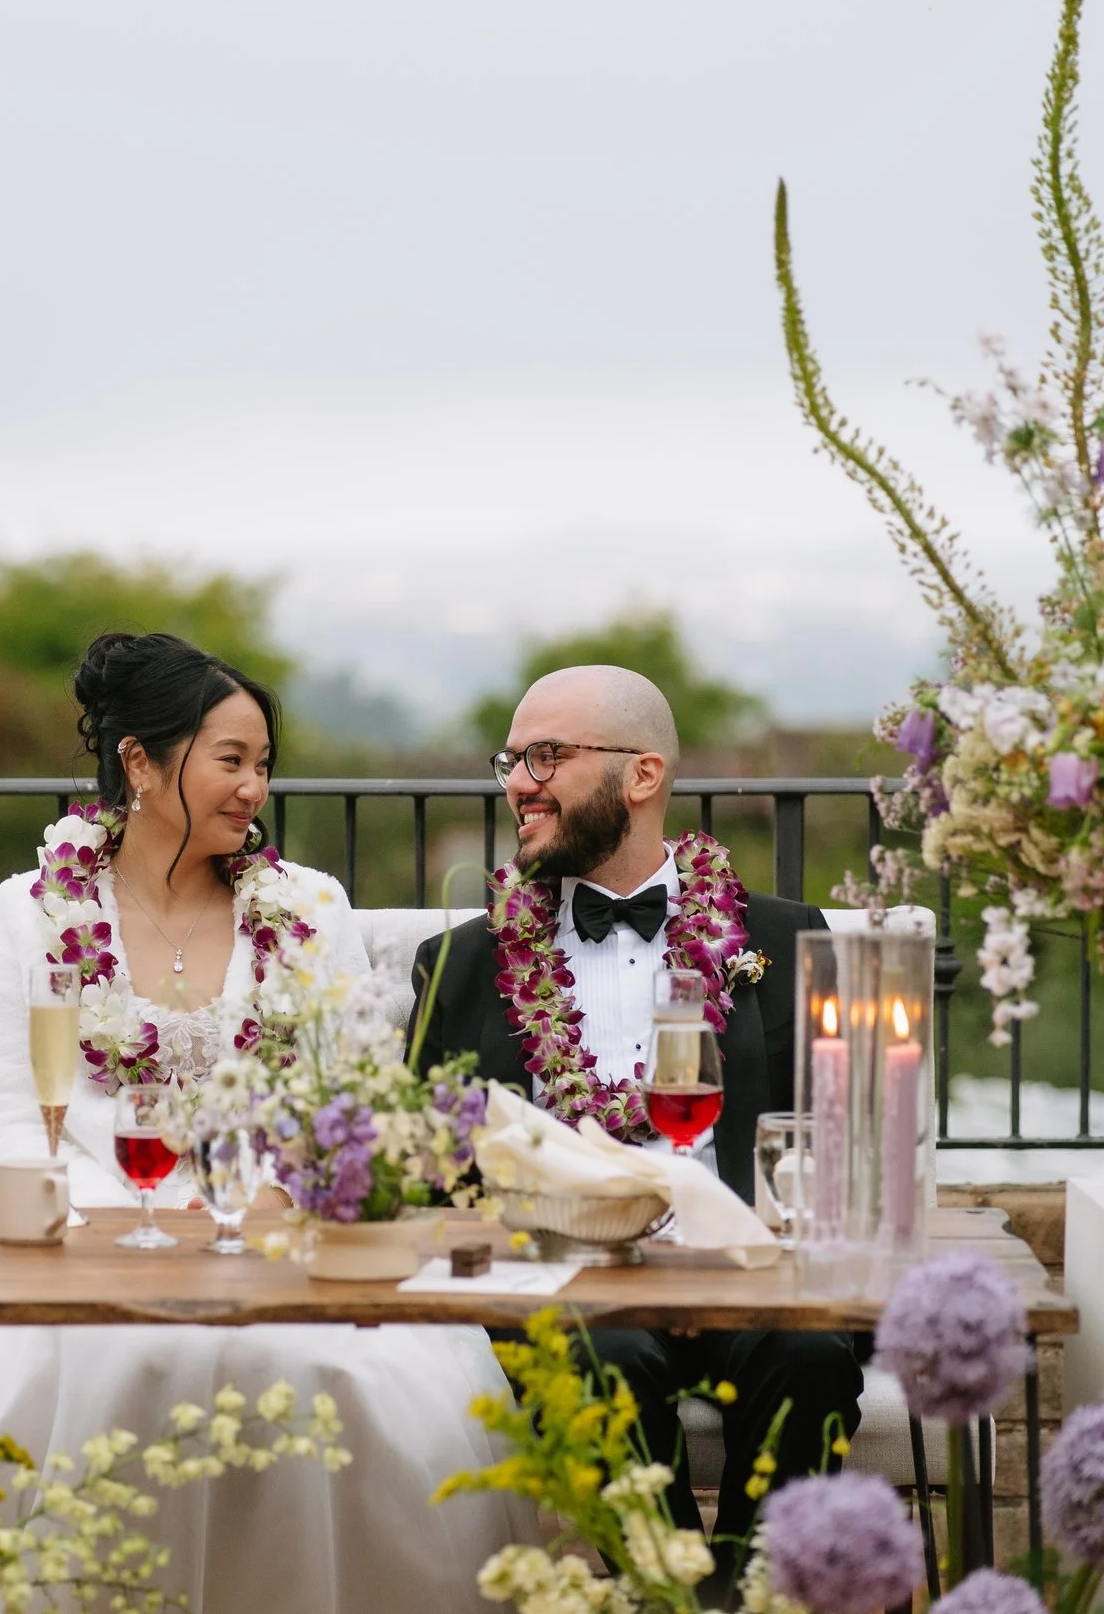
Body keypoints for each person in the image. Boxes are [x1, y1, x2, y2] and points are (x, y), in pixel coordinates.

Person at [0, 632, 529, 1612]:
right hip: (82, 1236)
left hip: (268, 1236)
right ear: (141, 762)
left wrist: (281, 1196)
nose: (254, 788)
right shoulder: (32, 909)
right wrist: (89, 1220)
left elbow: (346, 1103)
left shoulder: (310, 906)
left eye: (263, 764)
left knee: (316, 1365)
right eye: (230, 760)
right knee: (117, 1349)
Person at [409, 664, 863, 1580]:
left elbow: (833, 1144)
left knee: (813, 1353)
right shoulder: (458, 967)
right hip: (567, 1286)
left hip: (747, 1271)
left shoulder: (782, 941)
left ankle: (754, 1592)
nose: (517, 783)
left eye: (546, 755)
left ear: (643, 775)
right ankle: (664, 1597)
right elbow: (429, 1177)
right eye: (512, 758)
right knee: (594, 1357)